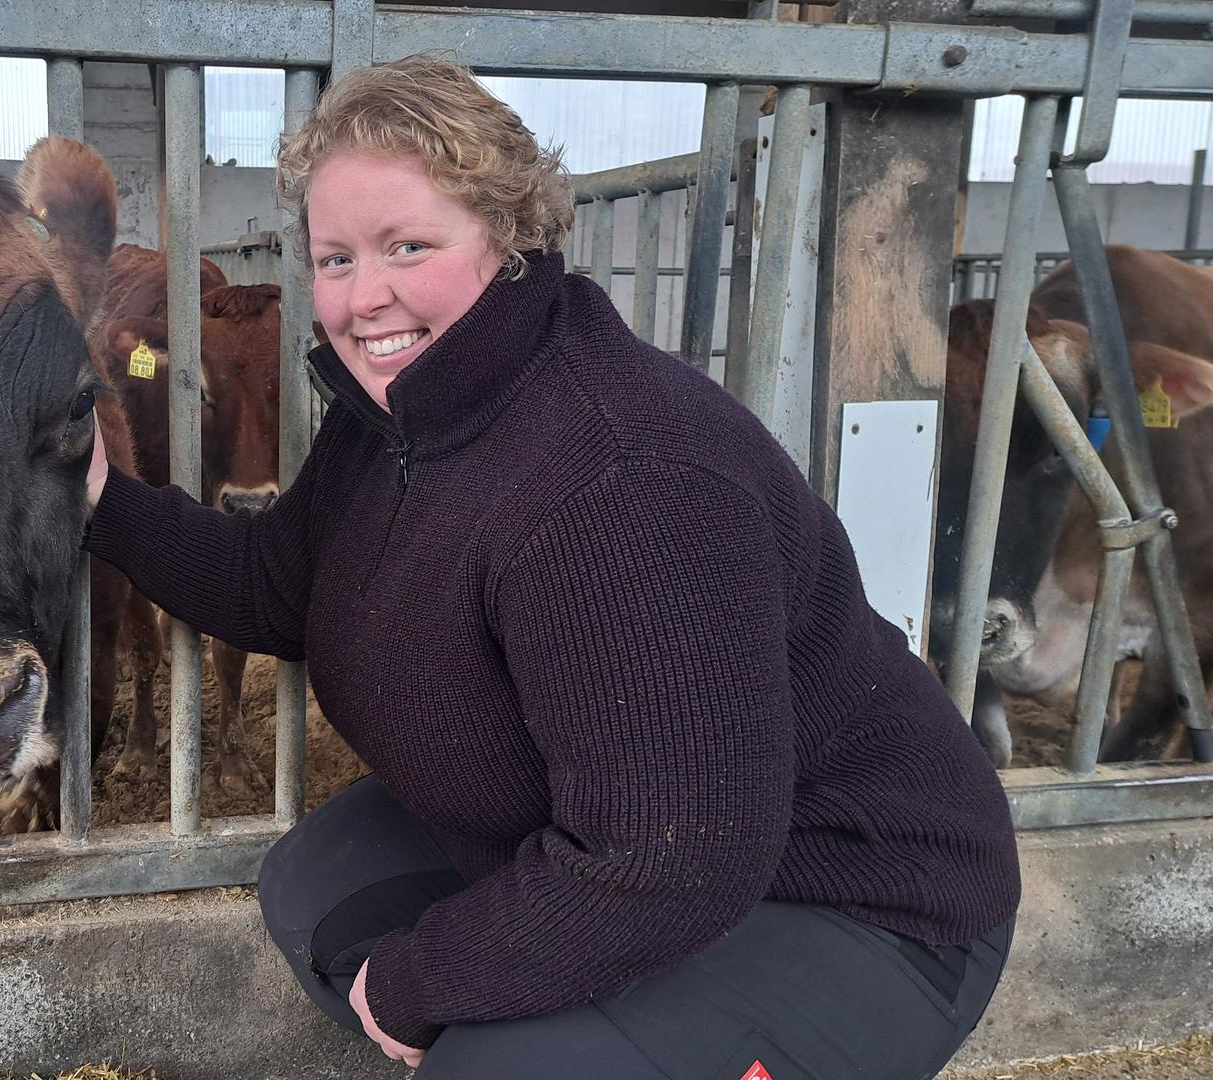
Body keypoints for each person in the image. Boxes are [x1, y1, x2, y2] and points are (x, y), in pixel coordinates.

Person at [82, 53, 1019, 1079]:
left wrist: (420, 982)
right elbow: (276, 584)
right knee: (323, 889)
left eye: (409, 245)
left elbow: (673, 858)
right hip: (622, 834)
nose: (366, 297)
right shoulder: (401, 417)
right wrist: (97, 498)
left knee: (501, 1058)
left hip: (857, 895)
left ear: (508, 234)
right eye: (338, 259)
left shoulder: (626, 476)